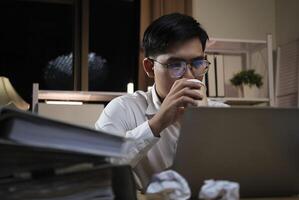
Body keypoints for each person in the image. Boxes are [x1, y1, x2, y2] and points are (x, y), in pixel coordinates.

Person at [95, 13, 227, 188]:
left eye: (197, 64)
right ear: (150, 67)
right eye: (175, 65)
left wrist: (204, 122)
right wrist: (156, 124)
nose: (189, 76)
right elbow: (99, 169)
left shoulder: (223, 114)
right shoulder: (124, 109)